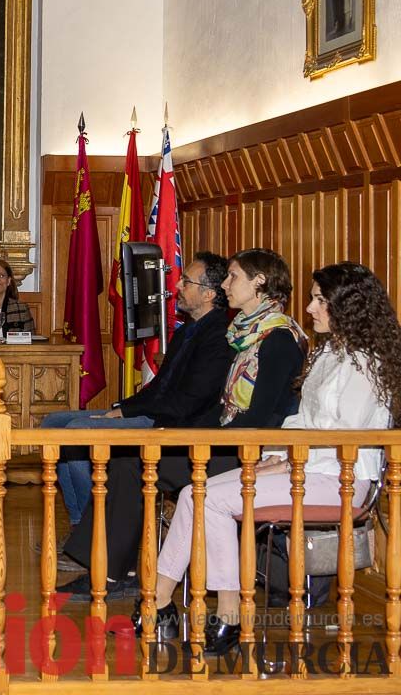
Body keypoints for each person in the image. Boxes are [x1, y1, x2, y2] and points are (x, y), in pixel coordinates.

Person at [149, 261, 399, 653]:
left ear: (347, 307)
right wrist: (277, 454)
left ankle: (230, 614)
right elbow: (302, 419)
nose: (311, 308)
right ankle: (159, 601)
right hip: (305, 469)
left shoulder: (366, 363)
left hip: (341, 482)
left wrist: (289, 461)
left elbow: (347, 435)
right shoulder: (330, 353)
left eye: (320, 301)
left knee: (212, 501)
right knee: (192, 492)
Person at [51, 253, 236, 592]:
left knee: (90, 439)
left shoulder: (219, 336)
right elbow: (161, 386)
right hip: (159, 413)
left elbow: (189, 400)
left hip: (181, 429)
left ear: (210, 293)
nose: (176, 286)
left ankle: (109, 565)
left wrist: (128, 412)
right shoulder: (189, 332)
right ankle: (85, 533)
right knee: (53, 424)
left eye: (186, 282)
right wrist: (123, 406)